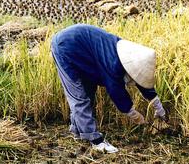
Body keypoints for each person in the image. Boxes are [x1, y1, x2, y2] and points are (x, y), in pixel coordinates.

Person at [51, 24, 167, 153]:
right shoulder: (114, 64)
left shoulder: (130, 56)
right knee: (79, 97)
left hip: (85, 52)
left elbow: (140, 78)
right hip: (66, 47)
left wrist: (158, 106)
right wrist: (133, 113)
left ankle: (77, 130)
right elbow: (115, 91)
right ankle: (96, 141)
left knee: (89, 93)